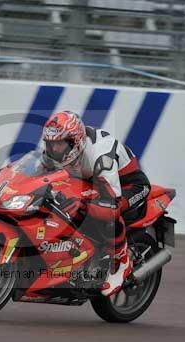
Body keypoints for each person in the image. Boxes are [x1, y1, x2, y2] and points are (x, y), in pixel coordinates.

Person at [41, 110, 151, 297]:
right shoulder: (55, 153)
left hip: (128, 186)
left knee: (104, 211)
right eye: (51, 144)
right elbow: (37, 174)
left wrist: (84, 202)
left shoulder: (101, 157)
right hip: (92, 181)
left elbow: (111, 200)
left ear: (75, 142)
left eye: (59, 144)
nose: (54, 150)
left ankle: (121, 260)